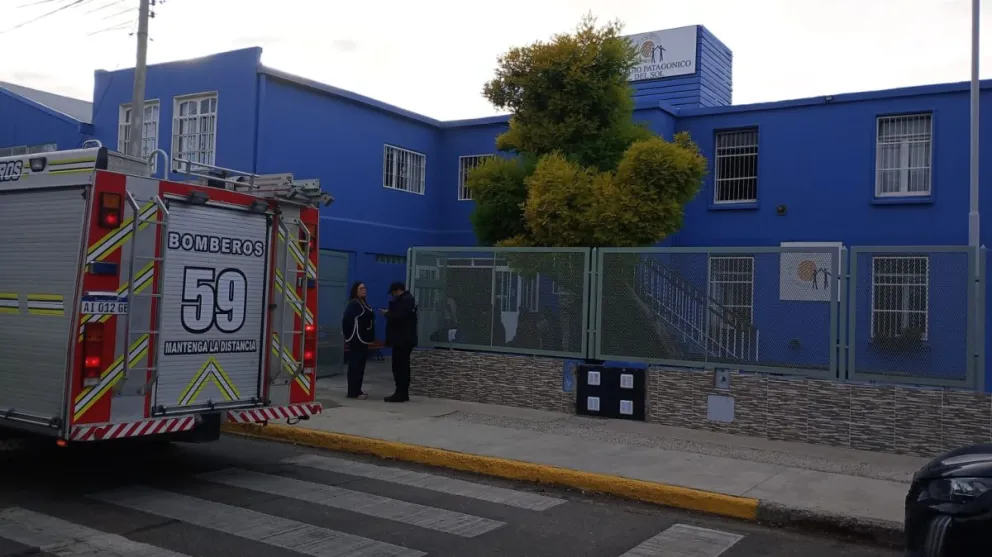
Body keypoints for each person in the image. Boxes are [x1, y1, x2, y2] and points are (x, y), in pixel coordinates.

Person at [380, 281, 417, 402]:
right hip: (402, 340)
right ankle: (401, 392)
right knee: (400, 366)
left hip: (403, 340)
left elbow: (399, 317)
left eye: (393, 293)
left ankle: (401, 393)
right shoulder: (406, 300)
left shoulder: (406, 300)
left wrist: (387, 314)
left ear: (398, 291)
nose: (393, 296)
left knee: (400, 367)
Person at [342, 281, 375, 399]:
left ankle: (358, 390)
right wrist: (349, 335)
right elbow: (346, 320)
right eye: (361, 289)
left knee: (361, 365)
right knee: (355, 365)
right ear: (355, 291)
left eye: (364, 288)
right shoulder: (353, 304)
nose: (363, 290)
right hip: (356, 339)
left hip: (364, 339)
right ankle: (352, 392)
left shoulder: (364, 303)